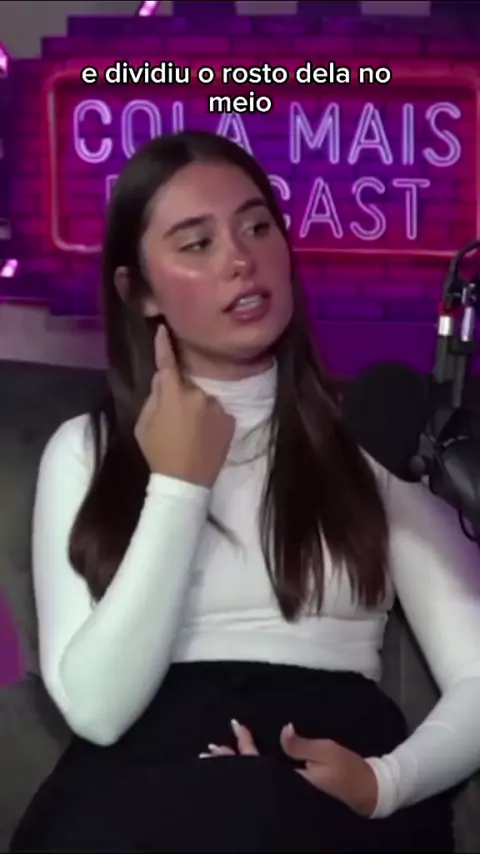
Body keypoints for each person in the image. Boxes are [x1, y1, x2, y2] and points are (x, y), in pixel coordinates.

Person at [10, 130, 480, 853]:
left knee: (257, 809)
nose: (240, 259)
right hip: (143, 784)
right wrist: (179, 484)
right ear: (140, 293)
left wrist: (385, 782)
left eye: (257, 228)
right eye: (197, 244)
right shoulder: (86, 449)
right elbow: (98, 712)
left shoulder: (376, 438)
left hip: (327, 781)